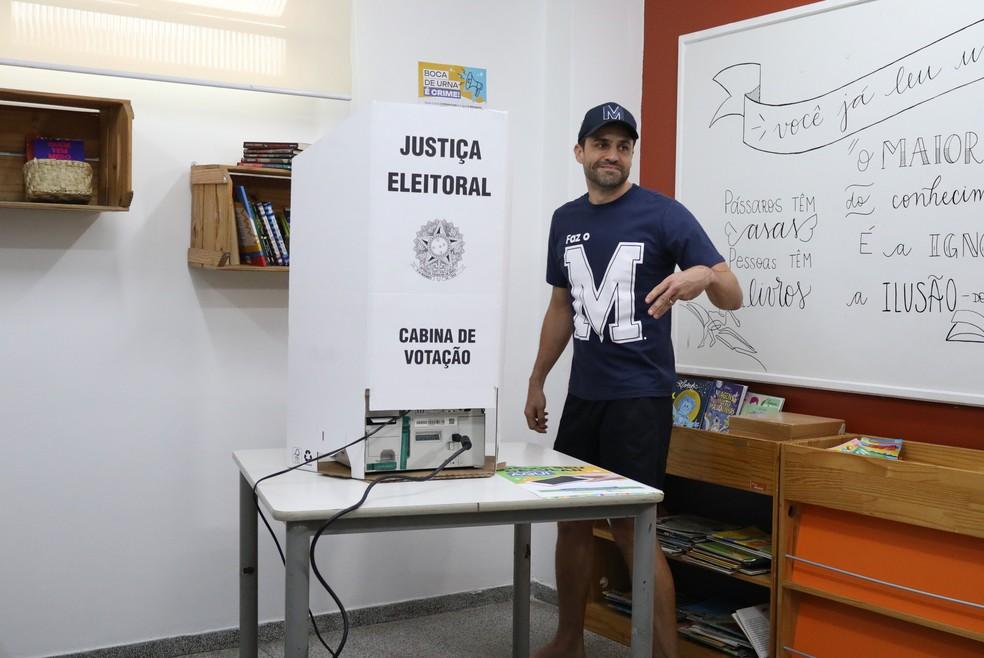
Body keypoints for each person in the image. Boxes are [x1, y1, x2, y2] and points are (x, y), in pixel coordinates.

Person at [524, 102, 742, 658]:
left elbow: (731, 294)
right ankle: (569, 637)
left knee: (631, 529)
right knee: (570, 525)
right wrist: (537, 380)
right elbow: (561, 306)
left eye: (623, 146)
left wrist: (699, 274)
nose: (612, 156)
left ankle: (664, 655)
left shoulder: (664, 214)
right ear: (580, 152)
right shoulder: (564, 219)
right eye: (601, 145)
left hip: (639, 399)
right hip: (583, 397)